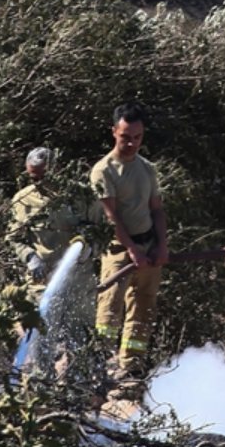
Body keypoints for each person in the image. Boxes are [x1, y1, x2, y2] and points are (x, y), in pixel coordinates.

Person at [89, 102, 169, 386]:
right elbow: (111, 217)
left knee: (143, 306)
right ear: (114, 132)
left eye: (137, 137)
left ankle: (131, 369)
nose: (132, 142)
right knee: (109, 310)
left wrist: (161, 245)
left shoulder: (147, 169)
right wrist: (132, 251)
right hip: (119, 250)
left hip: (148, 247)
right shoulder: (103, 171)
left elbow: (156, 209)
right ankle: (98, 367)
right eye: (126, 136)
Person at [5, 147, 99, 372]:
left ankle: (83, 387)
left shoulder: (83, 197)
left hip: (79, 281)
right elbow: (14, 237)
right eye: (33, 177)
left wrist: (90, 249)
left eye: (43, 176)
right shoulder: (22, 200)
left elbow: (101, 232)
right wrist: (30, 257)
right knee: (42, 336)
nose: (38, 182)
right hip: (44, 282)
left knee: (82, 336)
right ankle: (42, 390)